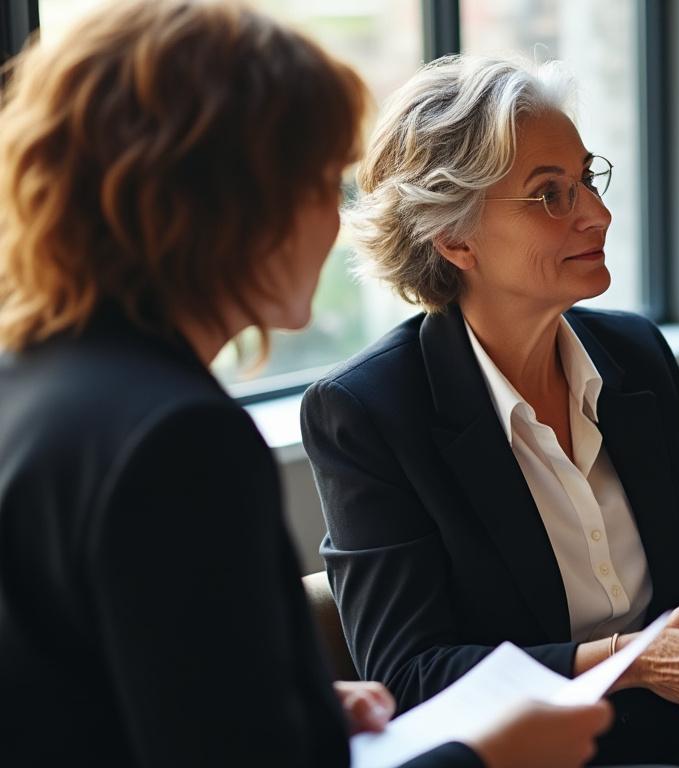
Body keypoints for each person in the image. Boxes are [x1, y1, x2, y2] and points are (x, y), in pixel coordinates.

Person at [0, 2, 609, 766]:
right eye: (322, 183)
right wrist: (488, 756)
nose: (337, 219)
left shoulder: (35, 383)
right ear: (224, 202)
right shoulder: (178, 439)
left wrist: (300, 714)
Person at [299, 54, 679, 768]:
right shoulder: (368, 410)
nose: (599, 213)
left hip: (678, 732)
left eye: (587, 179)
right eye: (550, 195)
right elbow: (410, 676)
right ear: (454, 237)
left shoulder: (635, 356)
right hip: (528, 755)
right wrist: (632, 658)